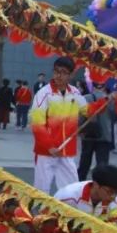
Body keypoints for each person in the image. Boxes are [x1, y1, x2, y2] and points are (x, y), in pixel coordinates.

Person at [30, 57, 86, 194]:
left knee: (72, 189)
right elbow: (37, 124)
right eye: (56, 71)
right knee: (41, 191)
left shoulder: (75, 93)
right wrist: (49, 146)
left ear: (71, 75)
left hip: (66, 151)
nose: (58, 76)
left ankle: (68, 215)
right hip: (46, 152)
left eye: (63, 72)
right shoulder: (43, 94)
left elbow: (87, 110)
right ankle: (40, 215)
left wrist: (108, 99)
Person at [77, 80, 112, 181]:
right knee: (102, 162)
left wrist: (80, 130)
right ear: (104, 86)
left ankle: (81, 181)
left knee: (85, 160)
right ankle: (100, 182)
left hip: (88, 133)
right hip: (104, 135)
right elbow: (114, 115)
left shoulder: (86, 98)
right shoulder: (110, 100)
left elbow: (80, 116)